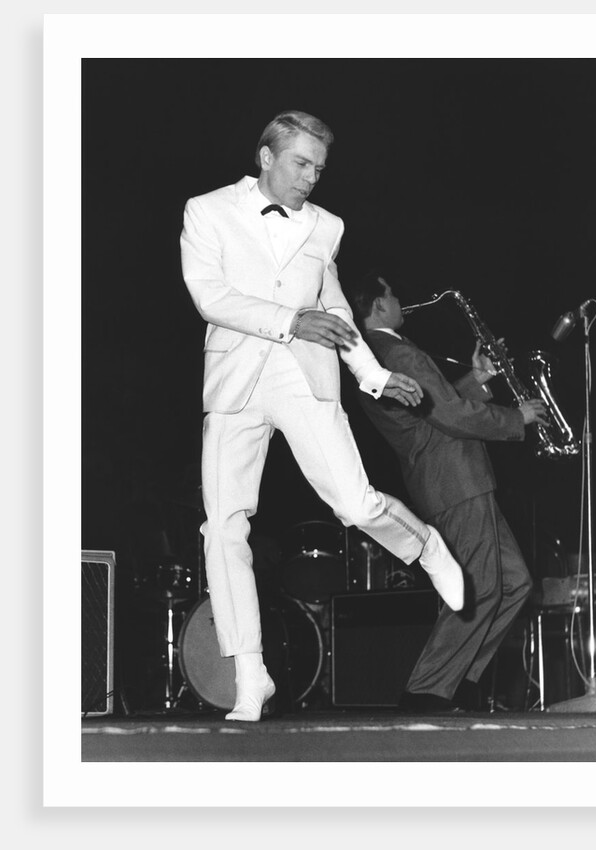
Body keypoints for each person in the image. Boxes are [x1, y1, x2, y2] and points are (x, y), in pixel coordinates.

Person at [180, 110, 465, 721]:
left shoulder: (326, 227)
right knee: (223, 526)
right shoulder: (206, 211)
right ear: (265, 157)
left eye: (318, 168)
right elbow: (211, 295)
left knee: (354, 503)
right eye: (301, 164)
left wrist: (375, 373)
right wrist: (289, 320)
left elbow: (332, 304)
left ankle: (425, 545)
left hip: (301, 372)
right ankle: (249, 672)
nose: (311, 178)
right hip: (236, 377)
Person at [347, 271, 547, 712]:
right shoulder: (397, 351)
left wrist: (476, 378)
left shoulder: (375, 354)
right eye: (392, 293)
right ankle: (426, 690)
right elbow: (452, 418)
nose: (400, 300)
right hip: (455, 479)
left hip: (454, 479)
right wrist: (517, 419)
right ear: (379, 306)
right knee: (480, 587)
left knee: (514, 583)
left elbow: (431, 410)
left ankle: (460, 681)